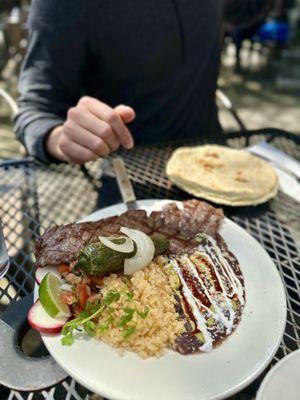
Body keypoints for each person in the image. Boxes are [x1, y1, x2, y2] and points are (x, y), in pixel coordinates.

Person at [14, 0, 272, 165]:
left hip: (216, 156)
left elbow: (246, 10)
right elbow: (34, 110)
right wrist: (60, 138)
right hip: (133, 174)